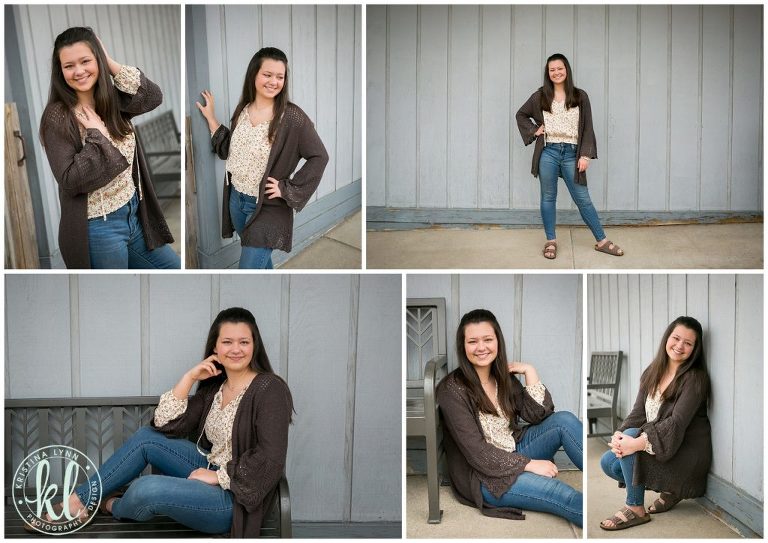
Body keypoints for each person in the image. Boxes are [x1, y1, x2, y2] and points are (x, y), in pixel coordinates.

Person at [33, 307, 292, 537]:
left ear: (254, 345)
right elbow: (165, 424)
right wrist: (189, 377)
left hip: (232, 499)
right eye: (227, 342)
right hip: (207, 467)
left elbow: (271, 458)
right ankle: (78, 502)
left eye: (244, 342)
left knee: (147, 488)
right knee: (147, 438)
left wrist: (218, 477)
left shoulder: (270, 389)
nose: (236, 349)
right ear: (215, 348)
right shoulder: (216, 389)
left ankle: (112, 506)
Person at [39, 27, 179, 269]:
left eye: (86, 61)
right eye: (69, 66)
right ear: (60, 72)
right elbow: (70, 180)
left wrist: (110, 63)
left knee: (173, 269)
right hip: (99, 228)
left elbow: (152, 97)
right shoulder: (58, 116)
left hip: (134, 214)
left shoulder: (111, 99)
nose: (79, 71)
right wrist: (97, 136)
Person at [436, 309, 583, 527]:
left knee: (565, 421)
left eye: (488, 339)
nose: (481, 347)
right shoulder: (453, 390)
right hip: (485, 476)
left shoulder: (502, 378)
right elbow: (477, 453)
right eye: (472, 341)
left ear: (498, 341)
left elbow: (538, 415)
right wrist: (529, 464)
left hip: (514, 449)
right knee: (561, 493)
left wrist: (529, 371)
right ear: (463, 346)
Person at [196, 47, 329, 269]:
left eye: (280, 76)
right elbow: (233, 150)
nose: (274, 82)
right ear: (254, 75)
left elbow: (319, 156)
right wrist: (211, 119)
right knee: (261, 263)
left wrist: (287, 188)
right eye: (267, 74)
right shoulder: (243, 110)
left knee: (248, 269)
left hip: (268, 207)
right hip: (236, 200)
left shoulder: (292, 117)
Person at [599, 316, 711, 531]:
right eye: (676, 338)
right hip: (660, 445)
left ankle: (635, 508)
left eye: (688, 343)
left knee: (632, 438)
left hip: (684, 452)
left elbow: (676, 424)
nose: (680, 346)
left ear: (695, 349)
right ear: (667, 338)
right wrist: (619, 436)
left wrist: (637, 442)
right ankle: (671, 490)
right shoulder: (652, 372)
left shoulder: (695, 379)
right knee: (608, 462)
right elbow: (638, 413)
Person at [516, 53, 623, 260]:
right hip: (548, 152)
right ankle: (551, 241)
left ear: (567, 70)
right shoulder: (540, 96)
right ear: (548, 73)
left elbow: (588, 127)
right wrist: (534, 130)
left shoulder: (580, 96)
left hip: (572, 154)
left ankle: (601, 241)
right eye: (552, 69)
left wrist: (585, 155)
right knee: (548, 197)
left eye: (560, 68)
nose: (556, 72)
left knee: (583, 198)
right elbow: (521, 114)